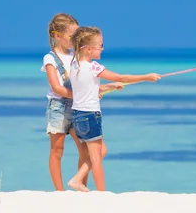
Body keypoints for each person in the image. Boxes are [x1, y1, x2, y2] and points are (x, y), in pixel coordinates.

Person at [67, 26, 160, 192]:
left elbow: (86, 88)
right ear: (88, 49)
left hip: (77, 117)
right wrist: (147, 77)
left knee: (102, 150)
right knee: (96, 158)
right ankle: (102, 193)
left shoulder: (75, 65)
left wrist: (108, 87)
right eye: (100, 45)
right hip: (90, 116)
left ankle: (77, 179)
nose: (102, 49)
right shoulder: (94, 67)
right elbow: (121, 77)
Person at [42, 13, 122, 191]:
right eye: (73, 36)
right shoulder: (50, 59)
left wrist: (105, 87)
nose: (76, 40)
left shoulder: (76, 57)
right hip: (58, 107)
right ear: (58, 36)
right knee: (57, 150)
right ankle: (59, 191)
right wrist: (83, 94)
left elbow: (85, 83)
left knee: (88, 150)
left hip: (79, 109)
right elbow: (57, 88)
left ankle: (80, 186)